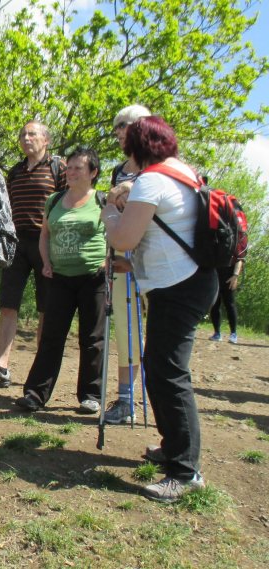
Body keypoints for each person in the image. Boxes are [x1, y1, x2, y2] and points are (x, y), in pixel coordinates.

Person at [102, 116, 218, 503]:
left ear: (137, 147)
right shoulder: (184, 172)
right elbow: (172, 234)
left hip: (180, 288)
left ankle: (185, 472)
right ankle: (173, 450)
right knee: (161, 368)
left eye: (126, 143)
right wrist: (135, 265)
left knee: (168, 373)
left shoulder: (151, 180)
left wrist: (108, 210)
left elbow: (123, 237)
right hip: (192, 280)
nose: (123, 150)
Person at [0, 121, 66, 390]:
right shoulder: (16, 171)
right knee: (8, 305)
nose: (26, 138)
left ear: (46, 140)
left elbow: (68, 204)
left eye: (32, 134)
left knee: (46, 308)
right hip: (17, 244)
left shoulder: (58, 169)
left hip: (47, 243)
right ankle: (1, 368)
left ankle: (41, 371)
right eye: (22, 134)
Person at [14, 148, 106, 414]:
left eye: (79, 168)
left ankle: (90, 396)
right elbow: (45, 235)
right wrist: (46, 261)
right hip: (60, 278)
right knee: (51, 337)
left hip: (93, 278)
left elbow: (114, 233)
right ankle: (35, 394)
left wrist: (106, 262)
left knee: (92, 338)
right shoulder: (54, 200)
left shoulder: (101, 200)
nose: (71, 172)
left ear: (93, 173)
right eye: (70, 167)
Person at [103, 104, 152, 425]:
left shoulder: (156, 167)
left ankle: (160, 400)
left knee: (160, 335)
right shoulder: (119, 170)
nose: (119, 131)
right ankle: (125, 399)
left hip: (156, 260)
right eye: (117, 126)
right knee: (125, 328)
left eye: (125, 125)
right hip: (122, 258)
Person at [209, 260, 242, 344]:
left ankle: (233, 334)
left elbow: (239, 259)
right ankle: (217, 333)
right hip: (215, 276)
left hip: (229, 278)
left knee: (230, 305)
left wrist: (235, 276)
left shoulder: (236, 246)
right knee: (215, 304)